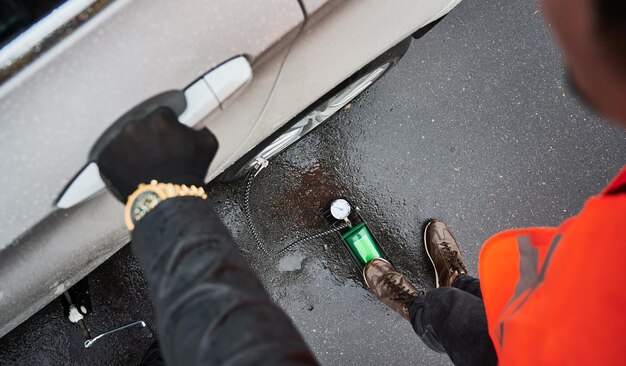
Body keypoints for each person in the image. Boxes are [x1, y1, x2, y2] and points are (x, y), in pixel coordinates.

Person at [94, 0, 625, 364]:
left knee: (448, 321)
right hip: (537, 302)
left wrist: (164, 201)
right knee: (475, 299)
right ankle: (460, 283)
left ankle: (417, 304)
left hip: (513, 352)